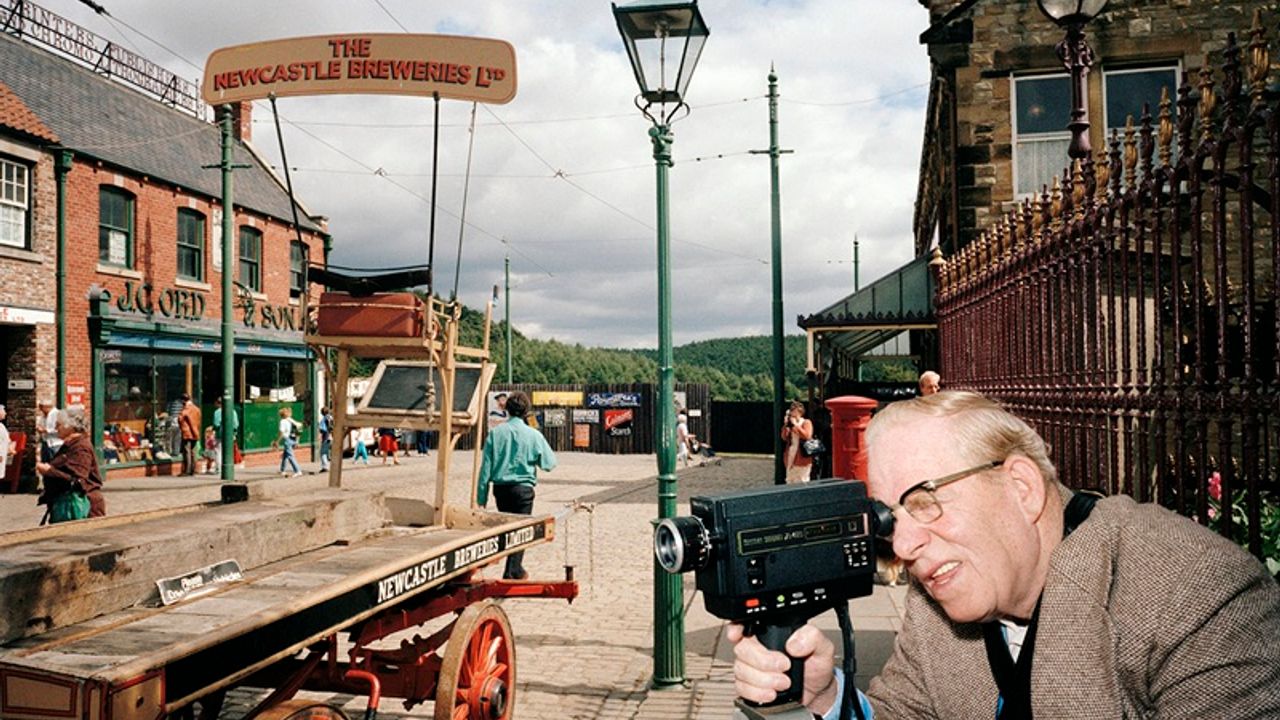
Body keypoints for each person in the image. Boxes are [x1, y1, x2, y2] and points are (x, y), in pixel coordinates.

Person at [730, 391, 1280, 719]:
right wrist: (826, 693)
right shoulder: (938, 603)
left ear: (1021, 486)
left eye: (925, 501)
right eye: (892, 516)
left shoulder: (1194, 593)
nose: (900, 546)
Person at [476, 391, 556, 580]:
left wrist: (481, 497)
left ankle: (513, 568)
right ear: (526, 411)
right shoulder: (534, 435)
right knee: (521, 530)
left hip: (501, 490)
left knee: (509, 527)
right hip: (523, 490)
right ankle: (513, 570)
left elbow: (485, 469)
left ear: (507, 410)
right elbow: (549, 464)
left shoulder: (495, 434)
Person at [34, 405, 105, 522]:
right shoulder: (70, 445)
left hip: (81, 507)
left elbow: (78, 479)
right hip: (69, 505)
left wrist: (48, 471)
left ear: (71, 427)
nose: (56, 428)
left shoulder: (80, 447)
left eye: (59, 424)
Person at [780, 400, 814, 483]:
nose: (792, 413)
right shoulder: (790, 424)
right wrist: (785, 425)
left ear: (799, 412)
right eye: (791, 411)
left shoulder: (806, 422)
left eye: (793, 411)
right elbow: (784, 437)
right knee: (790, 479)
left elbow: (807, 436)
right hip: (791, 453)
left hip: (802, 454)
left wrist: (796, 425)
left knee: (802, 480)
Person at [274, 407, 302, 477]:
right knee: (285, 456)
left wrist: (277, 441)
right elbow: (299, 427)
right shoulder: (290, 420)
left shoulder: (282, 421)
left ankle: (297, 471)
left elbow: (281, 433)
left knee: (290, 456)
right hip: (293, 439)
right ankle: (282, 470)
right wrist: (297, 441)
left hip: (287, 440)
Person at [213, 397, 241, 467]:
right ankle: (229, 466)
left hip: (220, 435)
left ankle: (219, 468)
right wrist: (234, 433)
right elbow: (236, 424)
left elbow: (216, 424)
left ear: (218, 403)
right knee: (229, 451)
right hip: (230, 435)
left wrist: (215, 429)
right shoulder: (233, 411)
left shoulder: (217, 412)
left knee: (218, 451)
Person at [178, 393, 201, 476]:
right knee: (193, 452)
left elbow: (180, 419)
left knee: (186, 451)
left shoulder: (186, 409)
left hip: (187, 433)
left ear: (183, 401)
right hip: (195, 432)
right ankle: (193, 469)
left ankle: (187, 470)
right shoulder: (197, 409)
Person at [35, 399, 62, 463]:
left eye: (41, 407)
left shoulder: (58, 414)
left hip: (56, 444)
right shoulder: (44, 415)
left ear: (47, 407)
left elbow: (61, 429)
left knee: (55, 463)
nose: (40, 409)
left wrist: (45, 430)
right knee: (45, 463)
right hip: (46, 443)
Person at [317, 407, 333, 473]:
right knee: (328, 451)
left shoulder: (323, 419)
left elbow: (322, 429)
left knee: (323, 452)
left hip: (326, 437)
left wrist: (319, 436)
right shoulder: (331, 418)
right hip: (332, 436)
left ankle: (325, 467)